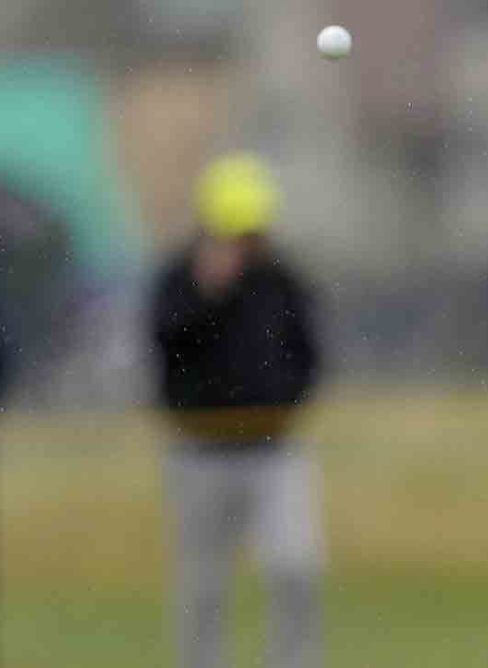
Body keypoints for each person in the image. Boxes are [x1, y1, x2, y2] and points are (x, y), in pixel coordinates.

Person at [150, 153, 323, 668]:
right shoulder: (181, 279)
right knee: (202, 584)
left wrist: (283, 402)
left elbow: (308, 354)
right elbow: (164, 343)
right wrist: (207, 294)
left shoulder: (282, 280)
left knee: (296, 568)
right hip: (199, 452)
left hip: (274, 449)